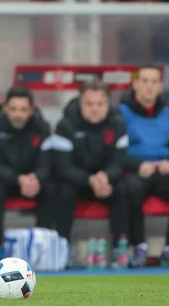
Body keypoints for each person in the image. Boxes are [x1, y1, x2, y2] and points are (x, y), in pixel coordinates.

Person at [119, 64, 169, 267]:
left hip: (163, 170)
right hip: (136, 170)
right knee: (130, 189)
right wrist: (137, 165)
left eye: (154, 82)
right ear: (135, 84)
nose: (149, 86)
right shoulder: (121, 112)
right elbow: (115, 152)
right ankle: (139, 247)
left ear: (161, 86)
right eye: (144, 81)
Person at [52, 80, 129, 262]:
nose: (95, 109)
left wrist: (105, 176)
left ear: (108, 104)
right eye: (89, 104)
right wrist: (89, 180)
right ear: (80, 103)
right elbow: (64, 166)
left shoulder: (118, 124)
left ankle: (121, 247)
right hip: (77, 180)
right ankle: (63, 247)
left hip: (105, 181)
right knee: (63, 190)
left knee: (124, 189)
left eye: (100, 104)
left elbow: (119, 162)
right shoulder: (65, 125)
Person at [0, 86, 53, 269]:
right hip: (5, 180)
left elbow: (47, 163)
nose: (18, 114)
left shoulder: (42, 128)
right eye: (13, 109)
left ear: (31, 110)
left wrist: (35, 179)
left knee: (55, 189)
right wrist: (19, 179)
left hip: (33, 181)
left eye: (23, 109)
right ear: (5, 108)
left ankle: (45, 249)